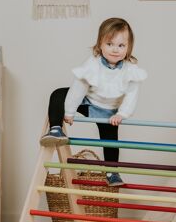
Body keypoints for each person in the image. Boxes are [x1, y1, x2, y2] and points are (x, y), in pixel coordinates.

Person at [40, 17, 148, 186]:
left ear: (128, 48)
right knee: (58, 94)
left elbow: (132, 95)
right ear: (100, 44)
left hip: (109, 112)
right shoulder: (92, 64)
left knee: (110, 141)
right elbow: (78, 88)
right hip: (88, 102)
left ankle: (112, 172)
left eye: (121, 45)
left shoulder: (130, 71)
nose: (115, 50)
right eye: (110, 44)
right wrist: (70, 111)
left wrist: (122, 114)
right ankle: (55, 129)